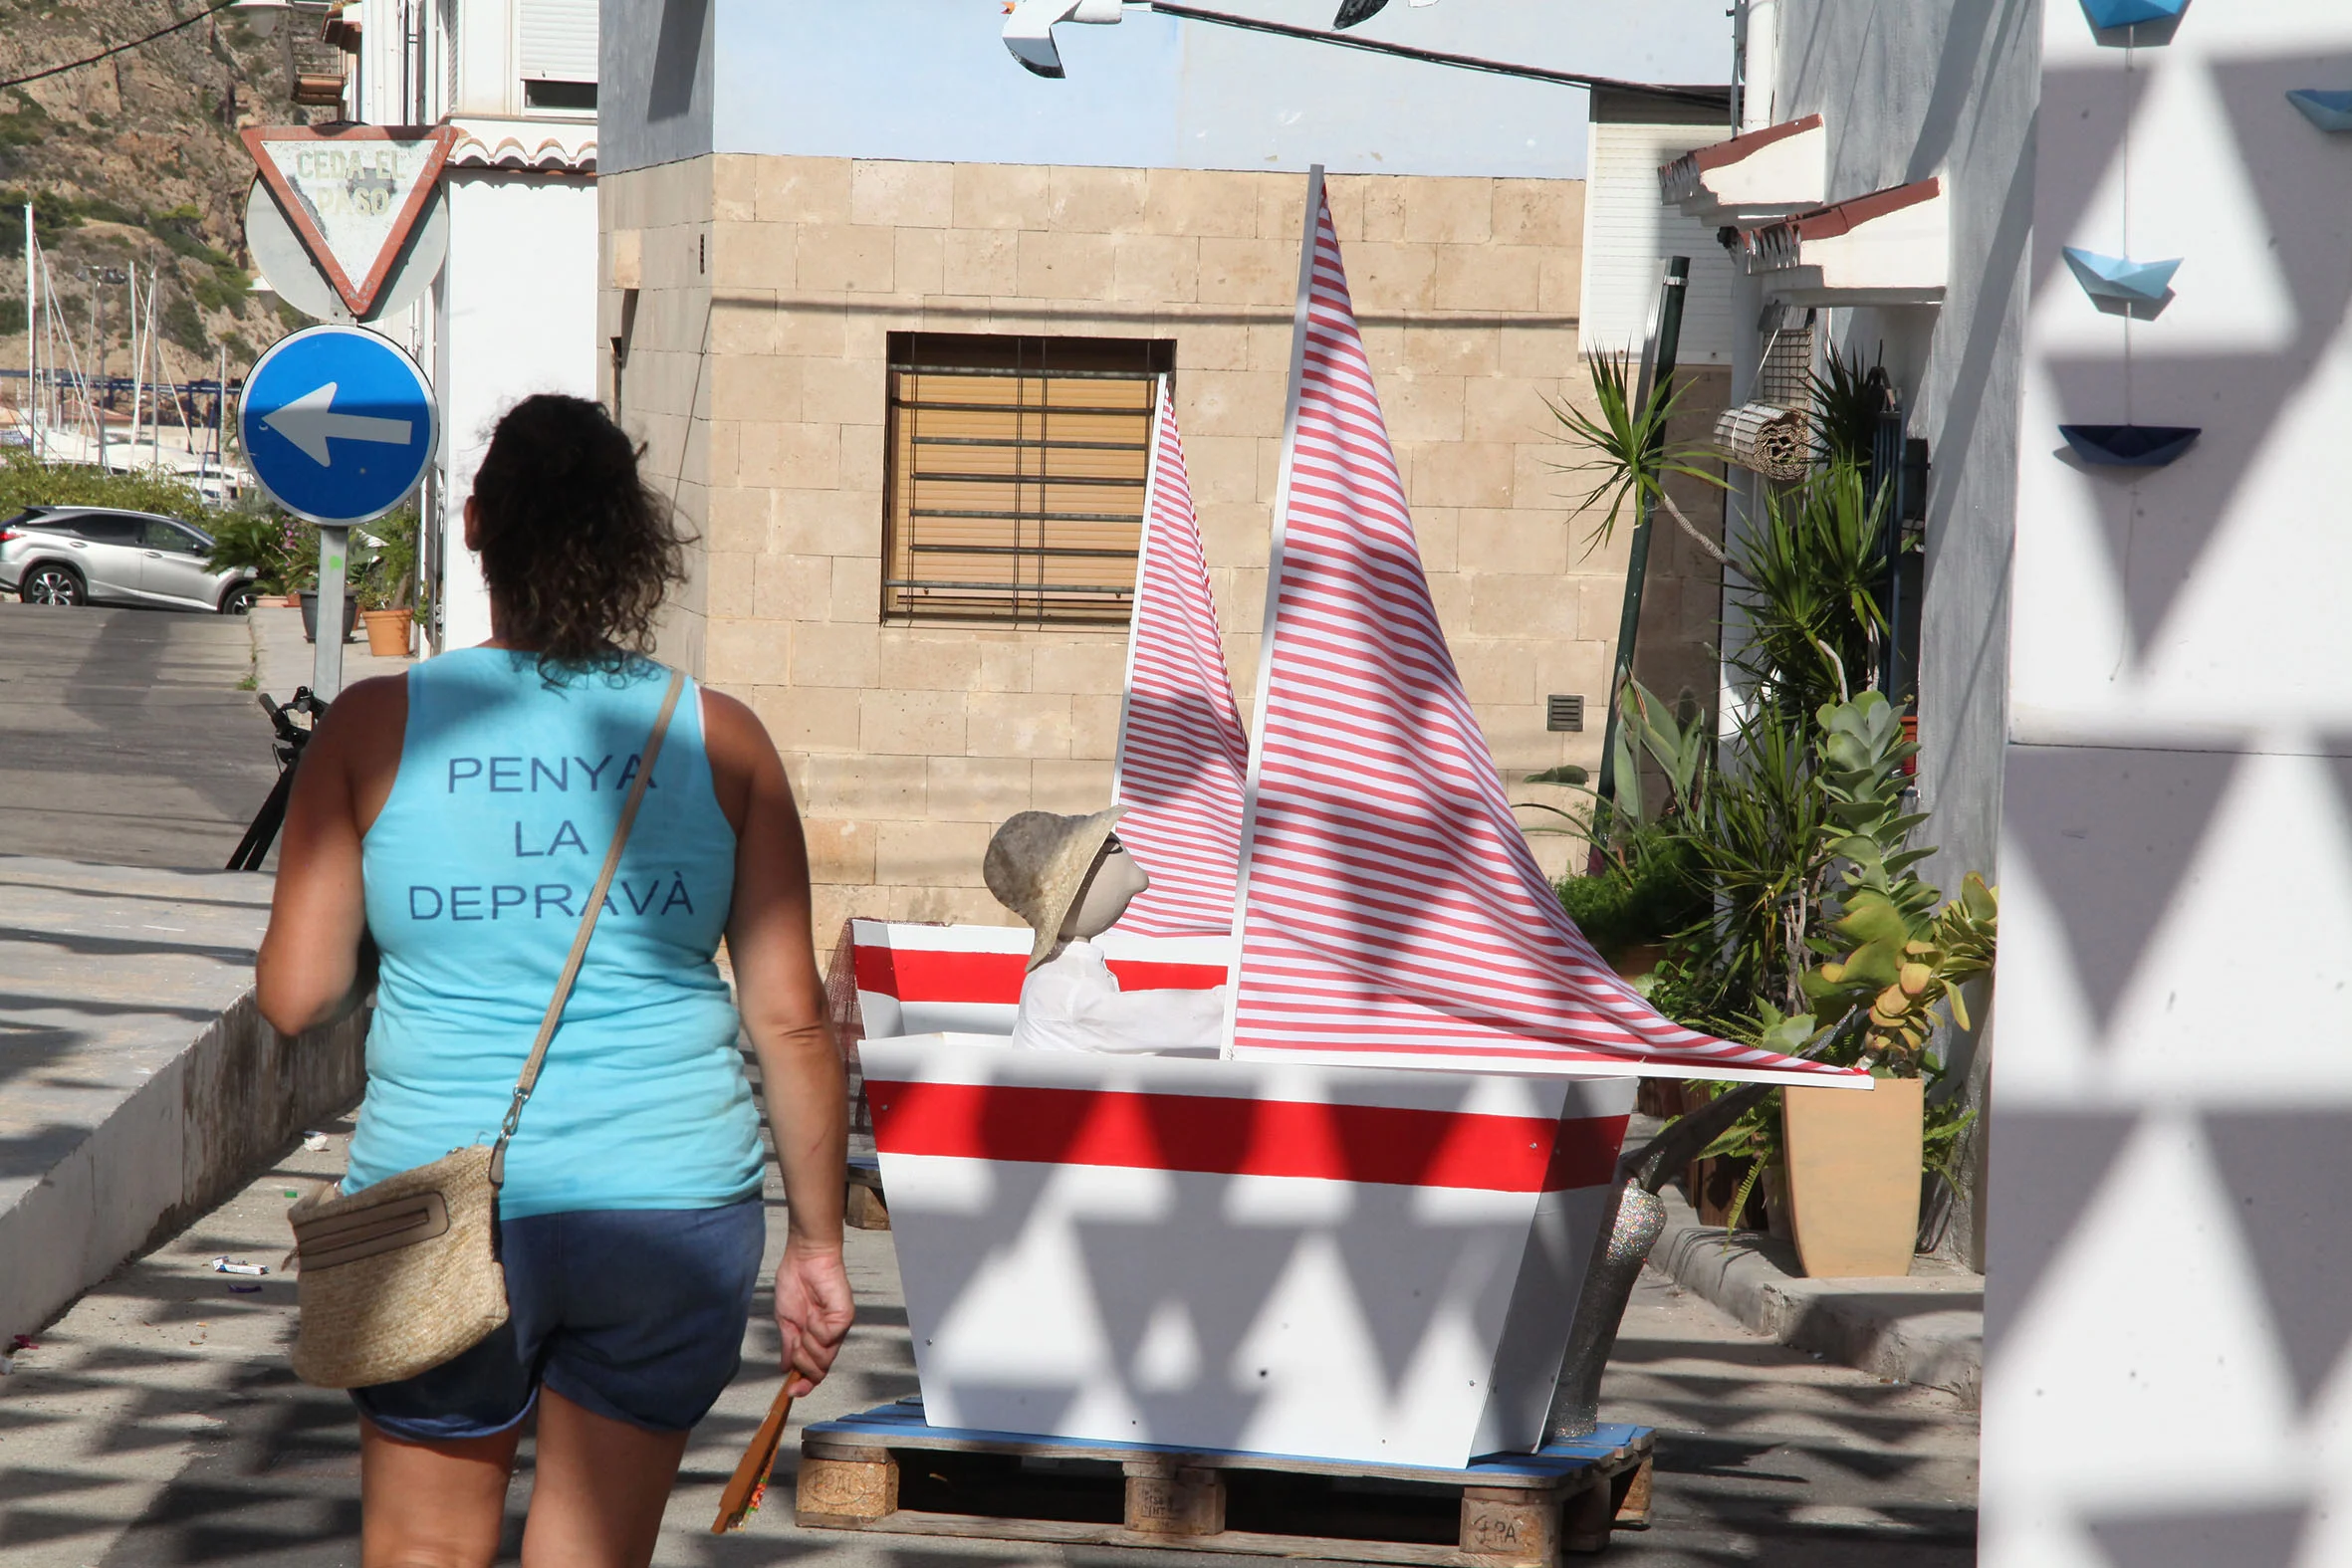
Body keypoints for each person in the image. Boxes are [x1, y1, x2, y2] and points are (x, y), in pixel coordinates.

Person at [257, 393, 854, 1568]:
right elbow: (788, 1021)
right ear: (632, 543)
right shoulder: (720, 737)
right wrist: (817, 1245)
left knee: (424, 1550)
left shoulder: (378, 728)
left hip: (439, 1193)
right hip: (670, 1202)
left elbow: (295, 997)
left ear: (475, 526)